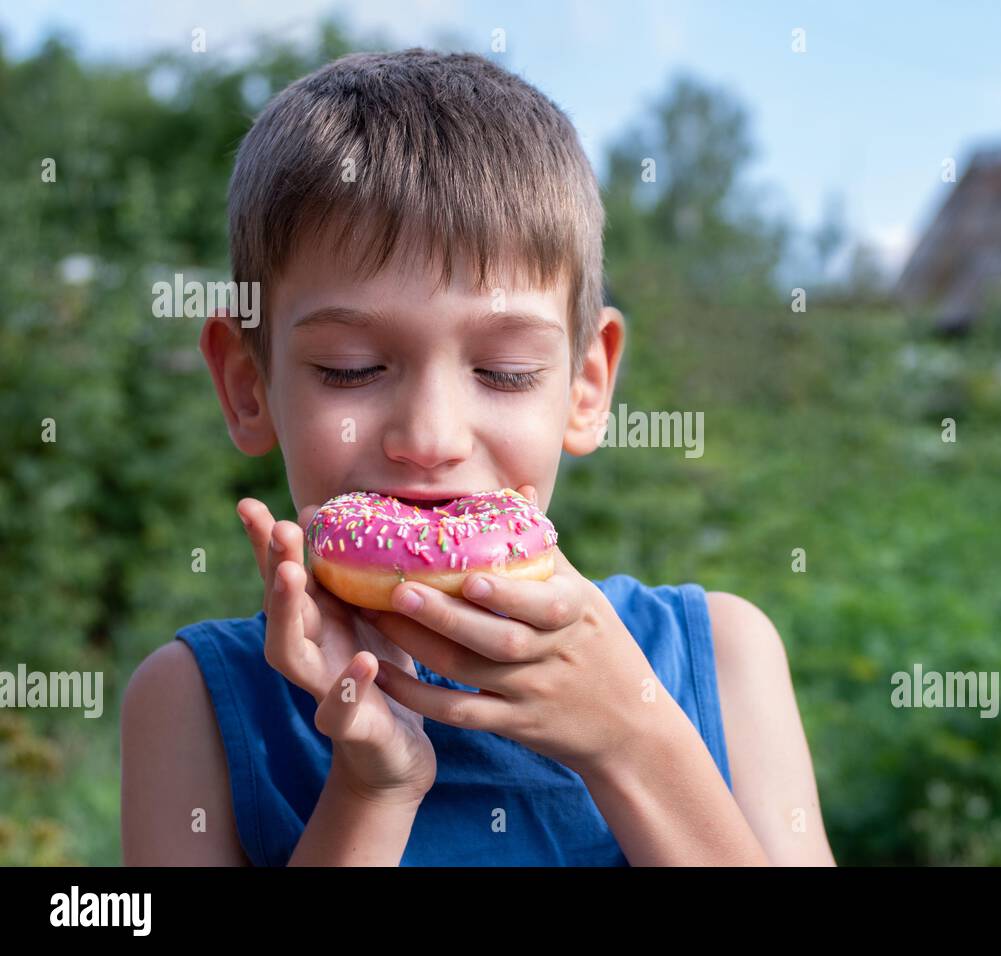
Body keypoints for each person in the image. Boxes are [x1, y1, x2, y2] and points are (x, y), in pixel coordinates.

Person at [120, 49, 835, 866]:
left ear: (586, 385)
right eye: (350, 368)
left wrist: (633, 741)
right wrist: (372, 791)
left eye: (505, 372)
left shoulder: (724, 656)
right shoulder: (195, 708)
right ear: (249, 386)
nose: (430, 439)